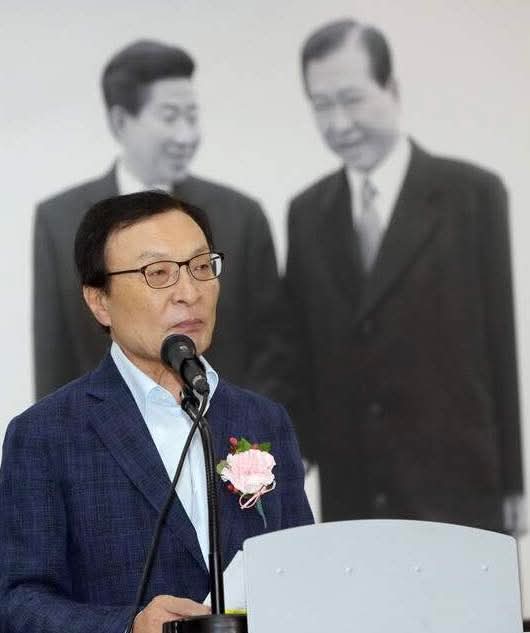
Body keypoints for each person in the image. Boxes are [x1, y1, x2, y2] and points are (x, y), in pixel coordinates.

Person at [1, 191, 313, 633]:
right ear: (99, 301)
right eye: (158, 273)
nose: (189, 293)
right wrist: (129, 626)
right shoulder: (47, 434)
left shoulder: (264, 420)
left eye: (201, 267)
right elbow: (18, 602)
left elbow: (302, 571)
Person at [284, 18, 524, 530]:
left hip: (458, 487)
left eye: (352, 99)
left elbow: (499, 343)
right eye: (321, 105)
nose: (339, 123)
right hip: (354, 493)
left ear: (392, 89)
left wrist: (514, 482)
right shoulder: (306, 213)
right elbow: (300, 352)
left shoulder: (473, 195)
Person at [34, 39, 281, 402]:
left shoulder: (241, 216)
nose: (186, 135)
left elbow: (272, 353)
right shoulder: (59, 221)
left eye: (192, 116)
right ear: (121, 122)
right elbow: (54, 361)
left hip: (221, 431)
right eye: (170, 117)